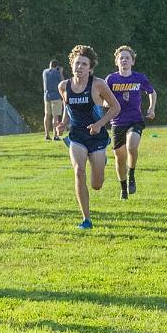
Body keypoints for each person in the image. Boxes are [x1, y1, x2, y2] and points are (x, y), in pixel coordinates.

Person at [56, 45, 120, 229]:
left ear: (90, 68)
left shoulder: (98, 84)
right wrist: (63, 124)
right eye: (77, 63)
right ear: (72, 65)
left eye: (84, 64)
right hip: (77, 136)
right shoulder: (63, 86)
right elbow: (67, 107)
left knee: (97, 184)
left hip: (97, 137)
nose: (80, 67)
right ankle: (86, 219)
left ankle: (100, 162)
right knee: (78, 171)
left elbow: (116, 107)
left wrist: (99, 124)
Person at [105, 45, 157, 200]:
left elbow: (152, 92)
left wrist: (152, 108)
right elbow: (102, 96)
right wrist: (106, 103)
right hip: (117, 122)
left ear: (132, 62)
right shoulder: (111, 79)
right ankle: (123, 188)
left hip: (135, 119)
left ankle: (132, 174)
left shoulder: (139, 78)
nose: (124, 60)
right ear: (117, 61)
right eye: (121, 58)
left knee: (132, 145)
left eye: (127, 58)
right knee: (119, 157)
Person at [42, 59, 63, 141]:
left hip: (47, 96)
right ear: (56, 66)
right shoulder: (57, 73)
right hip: (56, 96)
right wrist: (60, 72)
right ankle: (55, 135)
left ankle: (47, 134)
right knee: (55, 117)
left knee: (47, 116)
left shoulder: (45, 72)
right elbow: (62, 82)